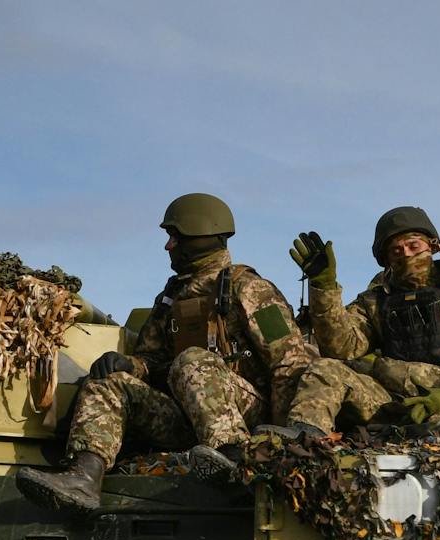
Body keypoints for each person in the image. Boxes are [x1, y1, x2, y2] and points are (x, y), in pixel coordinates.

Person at [17, 194, 317, 515]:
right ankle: (84, 477)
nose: (168, 247)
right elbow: (152, 362)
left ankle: (233, 459)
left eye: (176, 238)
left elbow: (290, 364)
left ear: (201, 238)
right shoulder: (170, 299)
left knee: (192, 361)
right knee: (111, 382)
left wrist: (286, 446)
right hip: (188, 418)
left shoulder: (250, 289)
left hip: (249, 418)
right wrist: (129, 365)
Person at [287, 206, 440, 442]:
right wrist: (324, 287)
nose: (407, 255)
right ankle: (303, 439)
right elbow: (341, 347)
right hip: (383, 398)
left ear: (432, 245)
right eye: (396, 250)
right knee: (325, 369)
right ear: (386, 258)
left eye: (413, 246)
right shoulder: (373, 301)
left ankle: (429, 441)